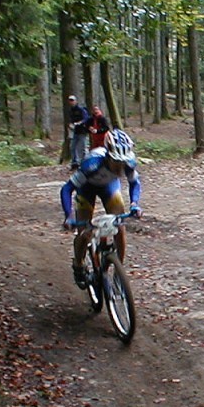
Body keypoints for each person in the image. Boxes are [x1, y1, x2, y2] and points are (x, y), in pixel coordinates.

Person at [60, 129, 142, 289]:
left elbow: (135, 184)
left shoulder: (128, 164)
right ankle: (78, 265)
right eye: (116, 163)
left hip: (109, 188)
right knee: (84, 232)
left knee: (119, 225)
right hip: (86, 189)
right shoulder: (91, 165)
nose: (120, 168)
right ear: (108, 157)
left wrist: (135, 204)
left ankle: (119, 272)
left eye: (123, 163)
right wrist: (68, 216)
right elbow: (66, 189)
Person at [67, 95, 89, 170]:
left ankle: (84, 163)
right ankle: (74, 163)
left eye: (72, 100)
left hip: (82, 131)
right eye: (70, 100)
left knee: (83, 147)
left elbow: (86, 118)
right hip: (74, 131)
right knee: (72, 147)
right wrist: (70, 125)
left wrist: (80, 122)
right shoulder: (70, 110)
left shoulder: (81, 109)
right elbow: (70, 119)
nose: (71, 102)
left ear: (75, 101)